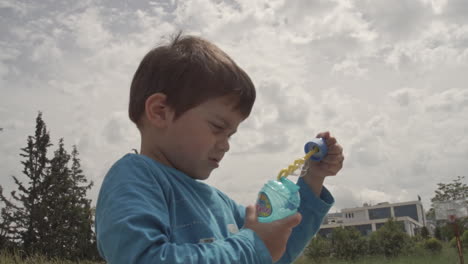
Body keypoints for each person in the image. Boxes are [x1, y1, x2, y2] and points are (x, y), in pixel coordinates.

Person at [95, 33, 344, 264]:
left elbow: (277, 247)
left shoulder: (218, 203)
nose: (225, 145)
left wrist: (313, 177)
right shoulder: (134, 178)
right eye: (217, 127)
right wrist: (252, 246)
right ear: (161, 112)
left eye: (231, 134)